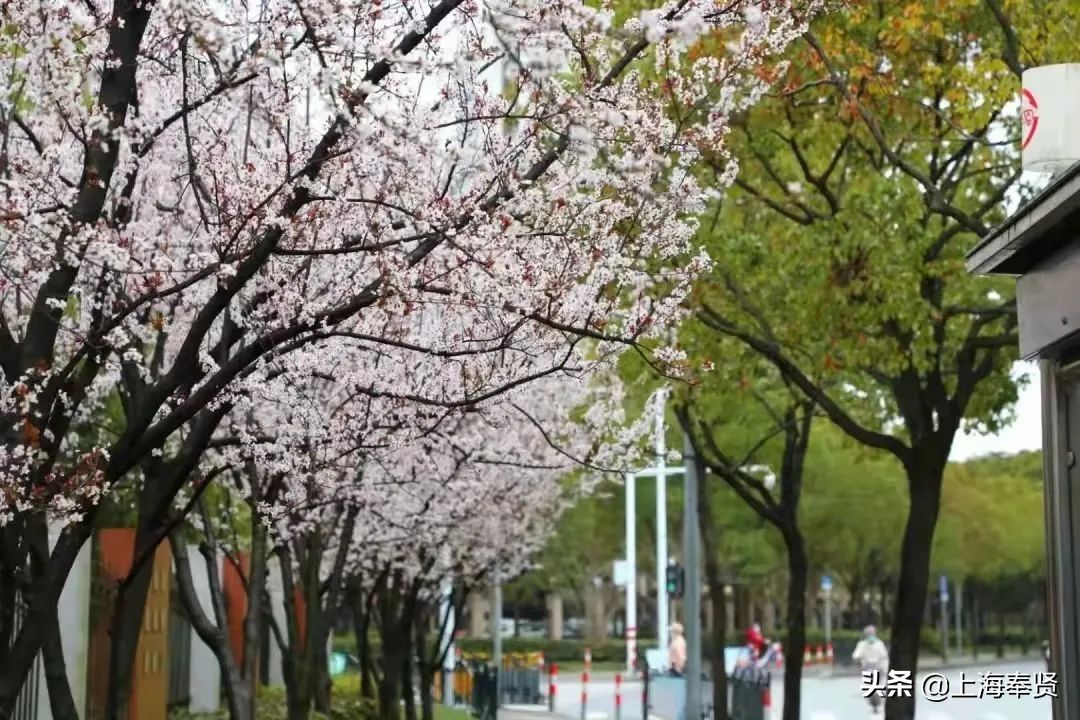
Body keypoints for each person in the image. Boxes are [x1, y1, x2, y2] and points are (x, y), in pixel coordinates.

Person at [853, 625, 889, 715]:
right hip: (868, 669)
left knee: (880, 688)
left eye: (872, 633)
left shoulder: (879, 644)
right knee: (871, 688)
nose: (870, 635)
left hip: (879, 668)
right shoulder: (862, 645)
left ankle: (878, 703)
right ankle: (874, 704)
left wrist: (885, 668)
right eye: (869, 633)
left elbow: (884, 656)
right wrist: (860, 663)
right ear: (865, 635)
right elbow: (856, 656)